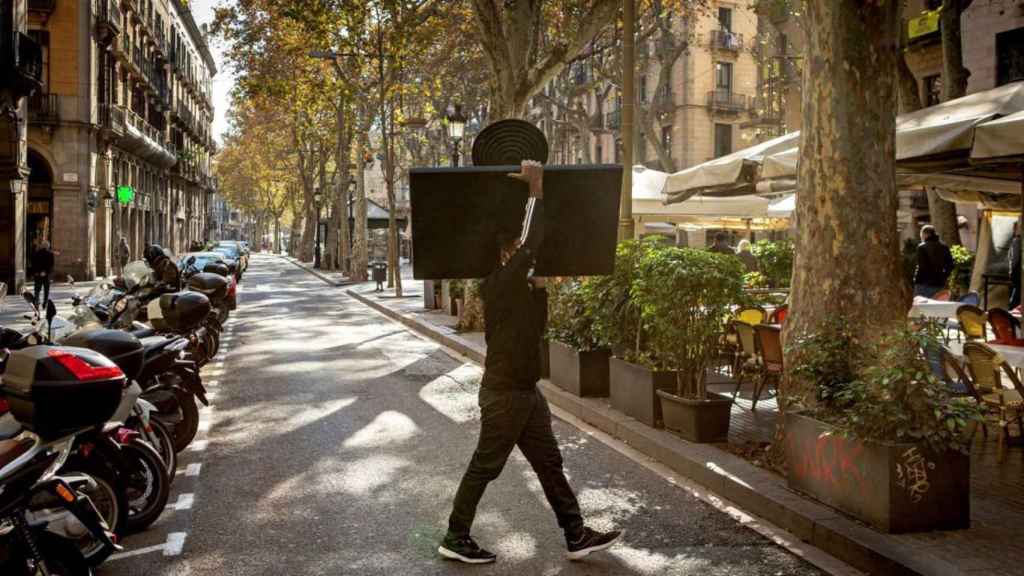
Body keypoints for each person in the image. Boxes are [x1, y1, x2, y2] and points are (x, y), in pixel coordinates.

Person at [439, 158, 621, 565]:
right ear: (505, 255)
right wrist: (535, 190)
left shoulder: (521, 289)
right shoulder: (497, 285)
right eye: (516, 251)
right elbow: (533, 242)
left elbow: (534, 319)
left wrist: (540, 286)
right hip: (505, 395)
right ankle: (455, 535)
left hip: (525, 392)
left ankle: (576, 535)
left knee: (549, 464)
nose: (525, 257)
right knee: (485, 467)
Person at [913, 225, 954, 298]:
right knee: (936, 305)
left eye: (921, 235)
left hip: (923, 283)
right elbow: (950, 265)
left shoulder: (922, 247)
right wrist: (943, 276)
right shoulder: (944, 247)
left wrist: (916, 279)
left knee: (921, 306)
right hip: (939, 283)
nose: (921, 237)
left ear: (925, 234)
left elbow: (922, 266)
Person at [29, 240, 56, 309]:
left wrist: (36, 272)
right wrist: (46, 272)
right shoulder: (50, 254)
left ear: (41, 246)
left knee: (37, 290)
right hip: (46, 275)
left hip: (37, 275)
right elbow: (51, 265)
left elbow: (33, 264)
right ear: (48, 246)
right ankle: (45, 304)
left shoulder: (36, 253)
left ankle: (36, 303)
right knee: (46, 290)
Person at [1011, 223, 1021, 309]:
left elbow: (1015, 258)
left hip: (1018, 272)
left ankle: (1012, 309)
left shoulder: (1017, 241)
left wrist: (1012, 270)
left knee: (1017, 292)